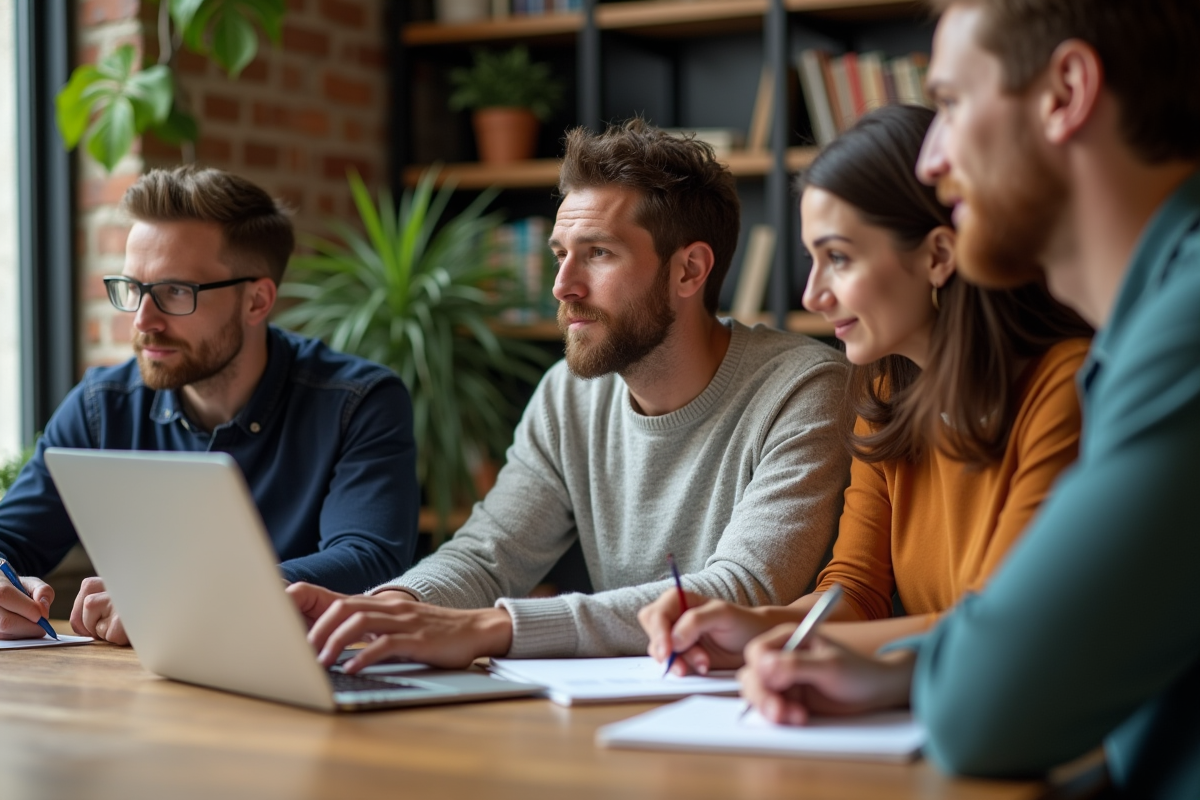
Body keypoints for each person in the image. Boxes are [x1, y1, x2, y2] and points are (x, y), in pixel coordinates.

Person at [738, 2, 1200, 798]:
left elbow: (987, 712)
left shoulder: (1182, 329)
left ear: (1066, 92)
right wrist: (888, 670)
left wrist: (912, 668)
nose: (931, 161)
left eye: (949, 104)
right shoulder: (1149, 323)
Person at [285, 118, 851, 671]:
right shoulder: (567, 396)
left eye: (598, 253)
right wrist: (393, 608)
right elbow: (488, 555)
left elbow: (741, 591)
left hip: (770, 715)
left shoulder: (802, 389)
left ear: (689, 271)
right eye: (561, 254)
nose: (562, 286)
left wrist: (499, 627)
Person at [639, 104, 1091, 673]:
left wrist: (792, 647)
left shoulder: (1062, 387)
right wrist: (754, 627)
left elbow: (1006, 624)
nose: (812, 295)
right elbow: (855, 591)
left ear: (937, 256)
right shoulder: (887, 391)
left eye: (839, 259)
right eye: (813, 260)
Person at [0, 166, 419, 645]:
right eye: (133, 288)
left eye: (175, 291)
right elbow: (10, 537)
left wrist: (182, 595)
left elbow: (369, 558)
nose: (143, 321)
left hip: (304, 686)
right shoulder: (102, 405)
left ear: (257, 301)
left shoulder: (358, 403)